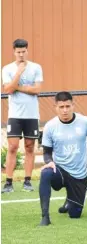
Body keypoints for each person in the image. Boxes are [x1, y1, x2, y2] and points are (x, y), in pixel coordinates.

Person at [39, 91, 87, 226]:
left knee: (75, 214)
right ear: (56, 107)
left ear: (73, 105)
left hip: (79, 174)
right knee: (46, 173)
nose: (65, 110)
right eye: (61, 107)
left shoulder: (84, 122)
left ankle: (70, 201)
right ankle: (45, 217)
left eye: (68, 106)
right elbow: (47, 153)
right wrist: (49, 162)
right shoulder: (50, 126)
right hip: (60, 170)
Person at [2, 39, 43, 193]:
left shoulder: (36, 67)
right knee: (12, 147)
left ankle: (27, 181)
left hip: (32, 115)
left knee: (29, 147)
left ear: (27, 50)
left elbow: (37, 89)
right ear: (14, 52)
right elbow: (8, 90)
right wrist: (18, 73)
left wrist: (17, 87)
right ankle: (8, 182)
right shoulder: (7, 69)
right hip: (15, 114)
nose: (21, 54)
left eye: (23, 51)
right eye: (18, 52)